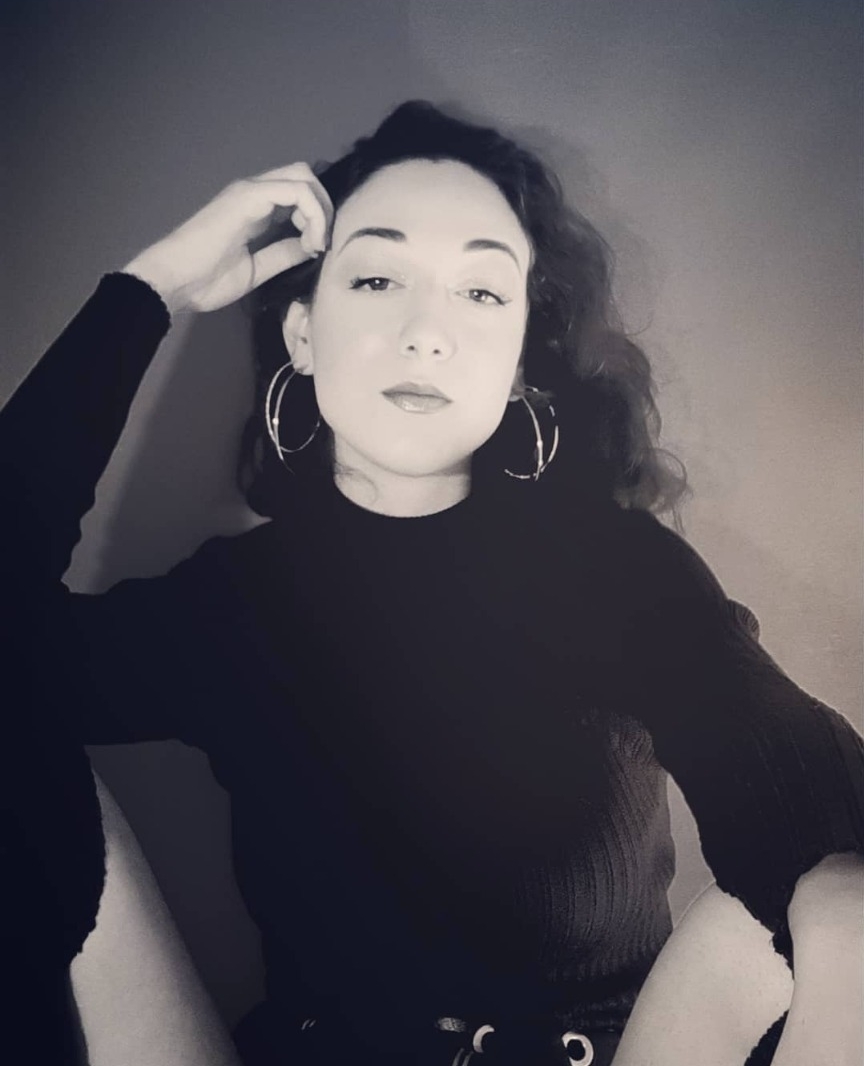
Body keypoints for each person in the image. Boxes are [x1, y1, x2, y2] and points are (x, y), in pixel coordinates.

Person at [1, 101, 861, 1066]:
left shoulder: (618, 572)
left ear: (519, 361)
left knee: (843, 896)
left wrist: (835, 911)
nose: (427, 332)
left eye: (481, 293)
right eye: (377, 278)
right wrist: (153, 287)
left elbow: (797, 785)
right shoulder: (235, 602)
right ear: (302, 334)